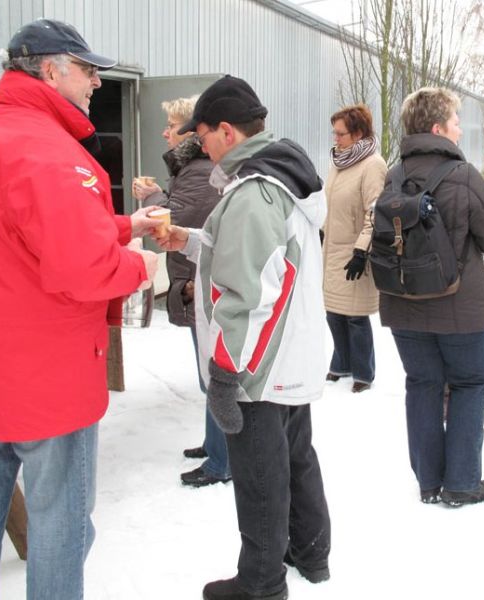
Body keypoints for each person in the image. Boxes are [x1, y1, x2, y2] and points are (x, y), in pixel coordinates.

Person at [0, 18, 158, 599]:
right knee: (59, 525)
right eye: (88, 70)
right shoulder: (44, 148)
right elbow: (82, 267)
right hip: (47, 383)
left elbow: (12, 232)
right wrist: (140, 265)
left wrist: (124, 225)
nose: (97, 82)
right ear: (51, 70)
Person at [152, 75, 330, 600]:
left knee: (259, 475)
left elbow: (247, 293)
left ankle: (260, 583)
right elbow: (251, 253)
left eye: (201, 134)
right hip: (288, 353)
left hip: (257, 363)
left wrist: (226, 376)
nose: (196, 144)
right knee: (296, 457)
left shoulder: (254, 193)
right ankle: (311, 553)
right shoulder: (275, 178)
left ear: (226, 131)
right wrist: (189, 238)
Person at [380, 87, 484, 506]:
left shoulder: (393, 175)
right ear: (438, 128)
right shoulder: (464, 174)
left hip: (403, 302)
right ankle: (462, 483)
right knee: (471, 384)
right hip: (461, 307)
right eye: (455, 122)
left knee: (422, 385)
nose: (459, 129)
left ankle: (428, 482)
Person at [133, 95, 231, 486]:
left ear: (189, 132)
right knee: (209, 373)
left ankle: (222, 462)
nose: (164, 133)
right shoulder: (191, 167)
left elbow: (182, 217)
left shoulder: (196, 170)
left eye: (170, 126)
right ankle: (214, 444)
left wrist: (152, 198)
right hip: (196, 279)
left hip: (200, 282)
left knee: (213, 375)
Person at [322, 104, 387, 393]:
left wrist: (362, 250)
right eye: (334, 133)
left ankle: (363, 371)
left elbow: (375, 210)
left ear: (358, 133)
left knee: (355, 316)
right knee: (333, 312)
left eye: (340, 133)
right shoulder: (338, 163)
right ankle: (342, 362)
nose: (335, 139)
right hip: (331, 249)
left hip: (355, 251)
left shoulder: (373, 165)